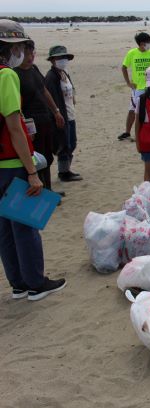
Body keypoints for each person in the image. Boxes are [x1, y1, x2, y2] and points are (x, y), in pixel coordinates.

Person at [0, 19, 66, 300]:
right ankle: (35, 284)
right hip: (12, 163)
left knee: (5, 230)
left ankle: (17, 283)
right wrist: (31, 171)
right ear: (11, 47)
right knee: (24, 226)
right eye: (20, 46)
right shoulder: (6, 76)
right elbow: (14, 127)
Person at [14, 40, 65, 191]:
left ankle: (48, 189)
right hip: (30, 123)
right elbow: (17, 105)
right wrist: (26, 130)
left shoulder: (34, 69)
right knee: (36, 158)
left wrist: (56, 111)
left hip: (45, 119)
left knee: (47, 157)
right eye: (27, 54)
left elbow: (44, 90)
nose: (30, 57)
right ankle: (40, 189)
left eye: (32, 53)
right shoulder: (14, 73)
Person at [118, 32, 150, 141]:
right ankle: (127, 132)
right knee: (132, 110)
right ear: (141, 44)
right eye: (148, 42)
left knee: (147, 111)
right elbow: (124, 67)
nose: (149, 44)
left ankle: (143, 133)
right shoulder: (132, 53)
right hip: (137, 88)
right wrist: (128, 83)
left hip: (149, 88)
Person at [44, 45, 82, 182]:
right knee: (64, 144)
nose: (63, 60)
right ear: (53, 60)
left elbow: (70, 91)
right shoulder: (51, 76)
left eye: (64, 57)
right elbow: (50, 97)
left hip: (70, 113)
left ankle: (66, 169)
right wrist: (57, 113)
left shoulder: (64, 73)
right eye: (59, 57)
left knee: (72, 142)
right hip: (61, 115)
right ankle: (64, 172)